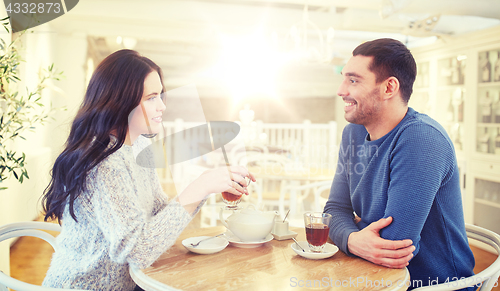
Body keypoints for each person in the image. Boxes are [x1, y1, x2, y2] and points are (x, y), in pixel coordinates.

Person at [41, 49, 254, 290]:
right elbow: (138, 250)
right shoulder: (104, 163)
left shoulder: (137, 146)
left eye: (161, 95)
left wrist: (210, 184)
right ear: (121, 100)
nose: (162, 105)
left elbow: (156, 215)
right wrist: (201, 185)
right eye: (151, 97)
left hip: (129, 283)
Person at [324, 38, 475, 290]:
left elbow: (394, 245)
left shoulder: (422, 139)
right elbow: (334, 209)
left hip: (431, 286)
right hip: (371, 276)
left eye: (353, 80)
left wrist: (347, 229)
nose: (341, 90)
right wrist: (352, 238)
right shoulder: (353, 134)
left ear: (388, 88)